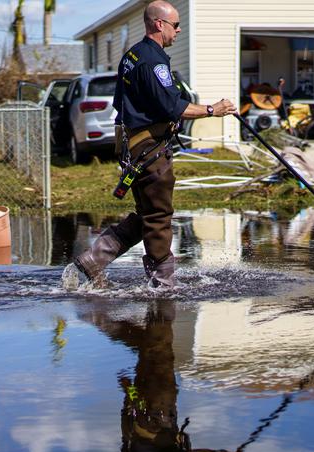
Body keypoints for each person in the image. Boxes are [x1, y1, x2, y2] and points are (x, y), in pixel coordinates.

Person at [63, 0, 236, 290]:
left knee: (147, 214)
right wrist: (211, 110)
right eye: (175, 25)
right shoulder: (153, 61)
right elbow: (172, 107)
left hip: (134, 148)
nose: (178, 31)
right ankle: (162, 284)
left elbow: (124, 103)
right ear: (159, 24)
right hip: (150, 152)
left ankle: (95, 259)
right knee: (158, 216)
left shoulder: (132, 55)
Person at [76, 299, 241, 452]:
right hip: (145, 414)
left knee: (160, 349)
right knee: (152, 353)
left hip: (156, 413)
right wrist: (129, 394)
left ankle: (158, 299)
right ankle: (136, 308)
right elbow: (129, 447)